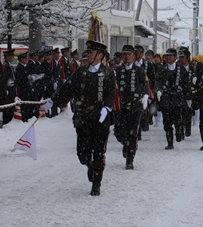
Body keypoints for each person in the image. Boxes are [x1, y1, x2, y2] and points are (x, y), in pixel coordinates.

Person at [43, 40, 116, 196]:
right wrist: (53, 100)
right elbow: (67, 88)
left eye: (91, 52)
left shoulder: (108, 73)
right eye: (88, 52)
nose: (88, 54)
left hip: (100, 118)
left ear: (100, 55)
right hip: (83, 117)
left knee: (98, 152)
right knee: (82, 153)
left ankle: (96, 182)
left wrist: (107, 108)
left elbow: (111, 93)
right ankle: (89, 164)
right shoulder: (81, 72)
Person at [113, 45, 147, 169]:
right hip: (120, 106)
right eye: (124, 54)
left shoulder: (139, 71)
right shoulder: (116, 71)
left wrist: (145, 97)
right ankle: (125, 144)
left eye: (129, 54)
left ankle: (130, 159)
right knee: (119, 132)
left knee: (133, 133)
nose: (126, 56)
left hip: (135, 106)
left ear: (134, 56)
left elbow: (145, 85)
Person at [155, 48, 184, 149]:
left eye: (170, 56)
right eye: (167, 56)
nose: (168, 58)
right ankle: (170, 142)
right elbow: (157, 80)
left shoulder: (181, 68)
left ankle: (179, 130)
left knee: (177, 118)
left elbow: (185, 83)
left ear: (175, 57)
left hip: (177, 97)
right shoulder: (162, 69)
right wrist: (158, 90)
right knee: (166, 121)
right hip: (166, 97)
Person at [177, 47, 196, 138]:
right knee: (180, 112)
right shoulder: (177, 68)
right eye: (179, 57)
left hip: (190, 93)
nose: (181, 59)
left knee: (189, 111)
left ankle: (187, 128)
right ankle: (180, 130)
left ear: (187, 58)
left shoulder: (193, 68)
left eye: (182, 57)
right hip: (179, 93)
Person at [16, 51, 35, 122]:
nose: (26, 59)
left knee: (28, 105)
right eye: (24, 58)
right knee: (24, 106)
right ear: (21, 59)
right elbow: (21, 80)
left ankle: (27, 117)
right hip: (23, 90)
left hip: (27, 89)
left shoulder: (25, 67)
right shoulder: (19, 68)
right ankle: (24, 118)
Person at [3, 49, 16, 124]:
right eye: (11, 56)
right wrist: (7, 88)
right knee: (8, 107)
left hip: (11, 89)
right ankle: (6, 121)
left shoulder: (9, 65)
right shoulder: (6, 65)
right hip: (8, 89)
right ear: (7, 57)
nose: (13, 57)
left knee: (11, 106)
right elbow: (5, 78)